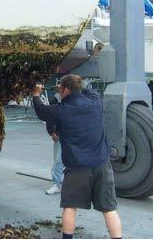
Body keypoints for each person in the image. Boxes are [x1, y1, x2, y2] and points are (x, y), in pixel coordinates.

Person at [32, 74, 122, 239]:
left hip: (76, 169)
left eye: (61, 89)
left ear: (65, 89)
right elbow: (86, 91)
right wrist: (74, 86)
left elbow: (41, 110)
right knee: (109, 209)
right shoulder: (95, 102)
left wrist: (36, 93)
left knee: (70, 207)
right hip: (102, 165)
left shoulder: (61, 111)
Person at [45, 93, 64, 195]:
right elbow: (49, 116)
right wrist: (52, 131)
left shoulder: (78, 97)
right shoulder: (56, 99)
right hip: (60, 135)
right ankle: (57, 184)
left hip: (73, 135)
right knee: (58, 160)